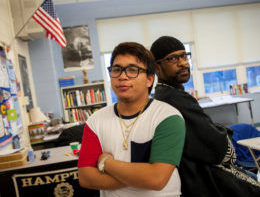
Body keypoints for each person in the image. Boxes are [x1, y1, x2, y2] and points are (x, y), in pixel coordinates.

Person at [150, 36, 260, 197]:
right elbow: (218, 147)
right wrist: (218, 131)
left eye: (184, 56)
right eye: (173, 59)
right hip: (204, 180)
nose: (183, 63)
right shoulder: (174, 98)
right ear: (157, 67)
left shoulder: (165, 93)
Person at [78, 42, 186, 197]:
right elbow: (86, 178)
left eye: (132, 70)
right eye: (116, 70)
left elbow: (156, 179)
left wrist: (106, 163)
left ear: (149, 80)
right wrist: (141, 177)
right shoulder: (95, 121)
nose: (122, 76)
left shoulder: (168, 117)